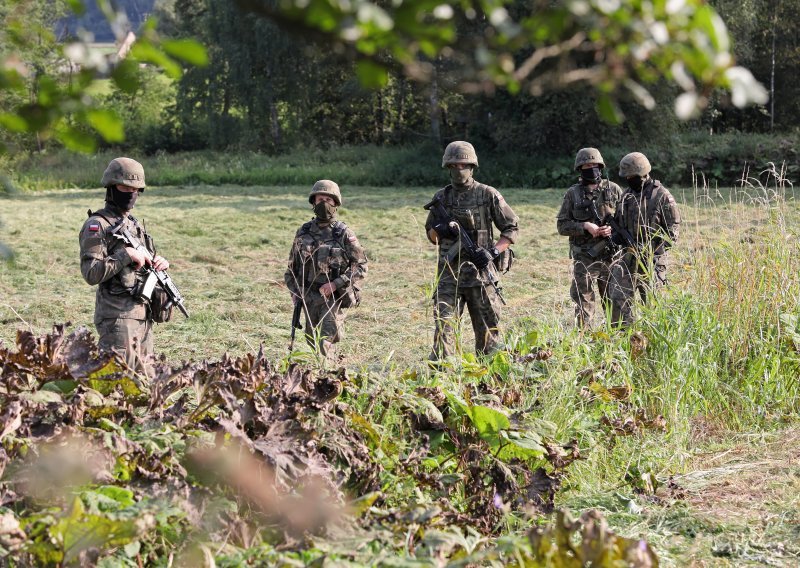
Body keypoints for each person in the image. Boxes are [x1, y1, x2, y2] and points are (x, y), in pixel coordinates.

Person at [425, 141, 519, 361]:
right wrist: (441, 230)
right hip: (449, 276)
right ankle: (442, 380)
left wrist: (493, 252)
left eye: (463, 165)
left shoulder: (487, 194)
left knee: (488, 337)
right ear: (448, 167)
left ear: (472, 166)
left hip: (481, 276)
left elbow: (511, 228)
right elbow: (431, 237)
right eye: (454, 165)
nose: (459, 169)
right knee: (444, 331)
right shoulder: (441, 197)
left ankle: (489, 381)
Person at [79, 157, 171, 374]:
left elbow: (145, 266)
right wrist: (125, 254)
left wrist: (160, 264)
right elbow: (91, 273)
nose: (131, 193)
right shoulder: (97, 225)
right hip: (117, 319)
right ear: (111, 187)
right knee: (114, 384)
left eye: (136, 189)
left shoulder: (134, 225)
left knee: (146, 385)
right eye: (124, 187)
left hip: (143, 316)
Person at [284, 180, 368, 362]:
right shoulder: (303, 232)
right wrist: (294, 292)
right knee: (311, 339)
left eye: (328, 199)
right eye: (320, 198)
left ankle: (329, 376)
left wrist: (335, 284)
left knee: (325, 340)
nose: (324, 203)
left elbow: (360, 266)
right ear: (313, 202)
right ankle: (326, 371)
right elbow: (291, 268)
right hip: (309, 296)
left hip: (334, 297)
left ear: (336, 204)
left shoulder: (343, 233)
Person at [608, 152, 681, 327]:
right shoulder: (626, 196)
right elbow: (618, 223)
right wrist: (616, 236)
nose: (629, 179)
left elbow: (672, 232)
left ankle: (653, 339)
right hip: (628, 257)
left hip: (652, 260)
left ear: (643, 173)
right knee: (617, 296)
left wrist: (652, 250)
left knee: (653, 302)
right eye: (626, 177)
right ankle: (624, 337)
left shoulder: (661, 196)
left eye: (632, 176)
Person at [556, 148, 623, 327]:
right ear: (580, 168)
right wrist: (585, 226)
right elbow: (562, 226)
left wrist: (612, 230)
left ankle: (616, 339)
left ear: (600, 166)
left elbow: (626, 221)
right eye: (587, 165)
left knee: (614, 300)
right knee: (583, 301)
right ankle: (584, 339)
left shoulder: (614, 190)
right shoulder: (573, 194)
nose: (591, 168)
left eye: (594, 165)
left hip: (611, 255)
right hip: (584, 257)